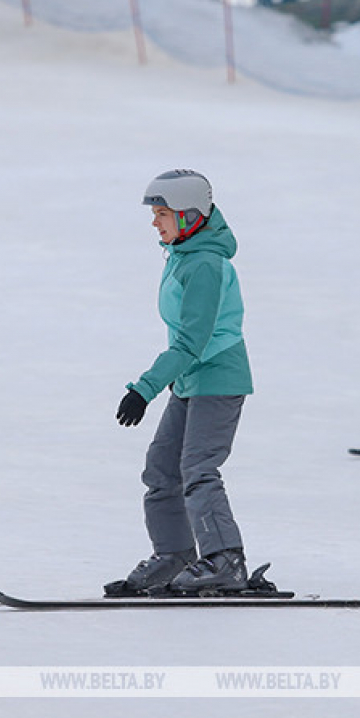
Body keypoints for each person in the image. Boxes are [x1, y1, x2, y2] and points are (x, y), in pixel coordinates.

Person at [108, 169, 253, 595]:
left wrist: (144, 388)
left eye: (162, 213)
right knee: (161, 469)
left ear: (189, 216)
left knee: (198, 468)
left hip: (219, 379)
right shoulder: (184, 256)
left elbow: (193, 339)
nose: (155, 222)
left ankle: (225, 558)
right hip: (192, 380)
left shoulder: (205, 264)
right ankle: (174, 556)